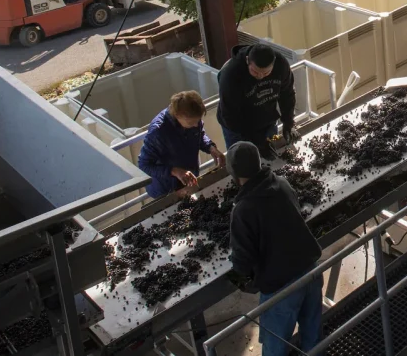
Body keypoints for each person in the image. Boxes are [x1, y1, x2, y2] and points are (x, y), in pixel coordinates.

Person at [227, 141, 323, 356]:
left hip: (282, 287)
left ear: (234, 174)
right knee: (313, 334)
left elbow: (243, 259)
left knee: (275, 346)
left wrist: (237, 277)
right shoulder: (282, 183)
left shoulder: (243, 210)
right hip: (310, 268)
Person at [137, 90, 226, 199]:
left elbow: (199, 134)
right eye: (191, 123)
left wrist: (211, 147)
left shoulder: (193, 122)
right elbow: (143, 165)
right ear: (177, 115)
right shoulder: (158, 132)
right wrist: (174, 171)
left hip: (189, 181)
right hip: (166, 189)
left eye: (198, 121)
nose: (195, 125)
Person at [217, 43, 298, 159]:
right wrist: (257, 141)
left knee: (273, 160)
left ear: (273, 63)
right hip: (237, 126)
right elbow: (230, 115)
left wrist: (288, 121)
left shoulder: (281, 64)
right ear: (247, 60)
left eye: (266, 73)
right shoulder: (231, 75)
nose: (260, 76)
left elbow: (287, 94)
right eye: (255, 72)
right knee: (243, 163)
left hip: (267, 119)